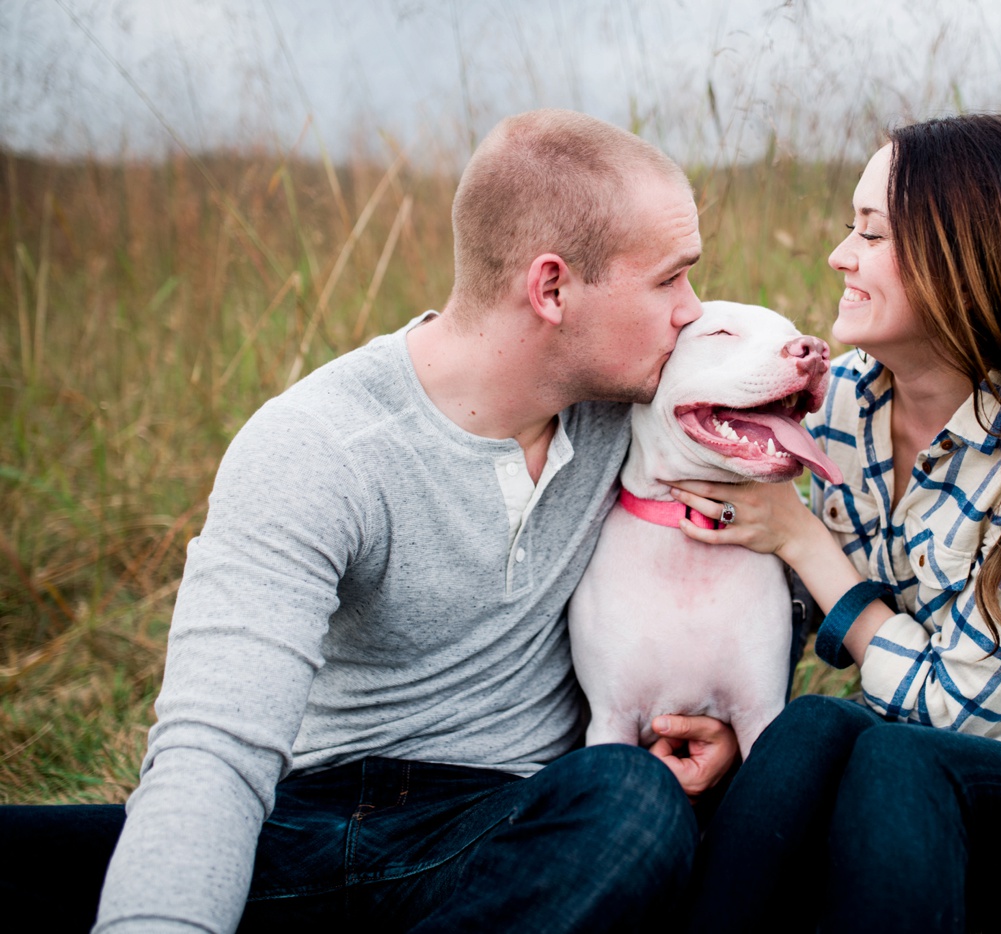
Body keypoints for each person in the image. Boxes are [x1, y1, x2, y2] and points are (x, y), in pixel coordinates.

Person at [0, 109, 740, 933]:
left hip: (508, 831)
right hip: (300, 830)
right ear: (552, 288)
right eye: (671, 278)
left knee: (633, 805)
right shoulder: (319, 445)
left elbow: (778, 514)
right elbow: (215, 748)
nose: (693, 309)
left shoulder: (643, 411)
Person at [670, 114, 1001, 932]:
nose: (841, 255)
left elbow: (955, 707)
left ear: (966, 258)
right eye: (851, 227)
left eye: (872, 235)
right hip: (905, 768)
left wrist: (806, 541)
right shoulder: (836, 403)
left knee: (899, 752)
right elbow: (784, 597)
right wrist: (727, 722)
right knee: (810, 723)